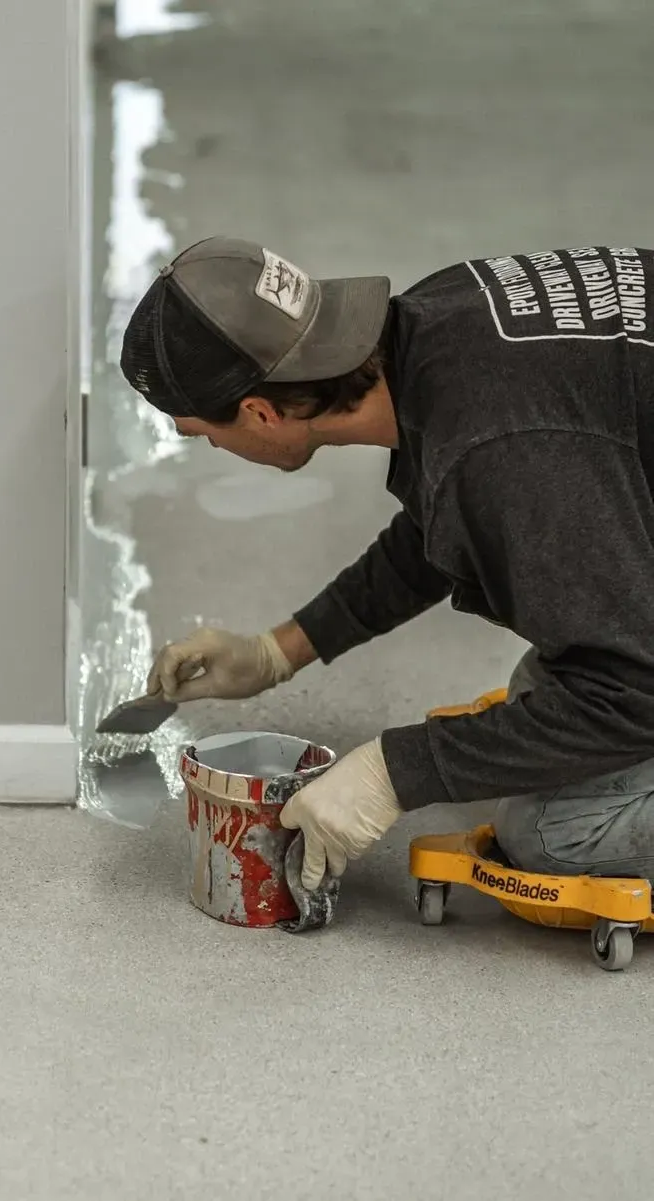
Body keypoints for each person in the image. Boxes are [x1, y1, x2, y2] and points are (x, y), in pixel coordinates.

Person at [119, 236, 654, 891]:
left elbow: (631, 690)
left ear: (259, 412)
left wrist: (392, 771)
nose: (209, 446)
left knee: (557, 830)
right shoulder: (439, 325)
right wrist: (277, 650)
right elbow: (452, 516)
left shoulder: (500, 448)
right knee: (539, 706)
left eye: (202, 432)